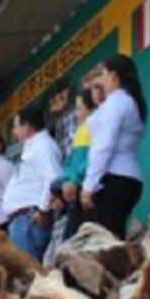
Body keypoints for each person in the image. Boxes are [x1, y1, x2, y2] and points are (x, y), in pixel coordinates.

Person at [81, 55, 147, 238]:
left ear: (114, 76)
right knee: (111, 237)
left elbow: (104, 145)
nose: (100, 80)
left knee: (104, 242)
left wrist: (89, 185)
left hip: (114, 178)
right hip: (127, 178)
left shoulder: (117, 101)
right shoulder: (128, 101)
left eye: (103, 74)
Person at [2, 104, 62, 262]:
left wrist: (43, 210)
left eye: (16, 127)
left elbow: (53, 179)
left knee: (30, 276)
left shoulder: (43, 146)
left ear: (27, 126)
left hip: (29, 221)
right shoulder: (33, 146)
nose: (14, 133)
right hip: (22, 222)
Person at [60, 86, 101, 240]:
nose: (75, 114)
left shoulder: (94, 127)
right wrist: (65, 181)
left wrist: (74, 180)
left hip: (87, 190)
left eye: (79, 109)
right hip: (74, 189)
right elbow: (70, 161)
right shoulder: (80, 131)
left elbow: (91, 159)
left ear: (91, 109)